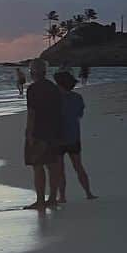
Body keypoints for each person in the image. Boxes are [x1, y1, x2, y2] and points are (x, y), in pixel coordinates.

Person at [23, 59, 62, 210]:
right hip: (54, 130)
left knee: (38, 165)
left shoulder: (33, 89)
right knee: (52, 166)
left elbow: (32, 113)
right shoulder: (54, 88)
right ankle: (52, 198)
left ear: (33, 72)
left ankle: (40, 200)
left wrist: (29, 132)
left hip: (39, 131)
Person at [53, 70, 97, 201]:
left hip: (58, 138)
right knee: (78, 166)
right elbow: (79, 115)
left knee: (60, 170)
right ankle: (88, 193)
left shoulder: (54, 99)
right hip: (74, 136)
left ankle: (62, 196)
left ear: (60, 84)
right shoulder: (77, 97)